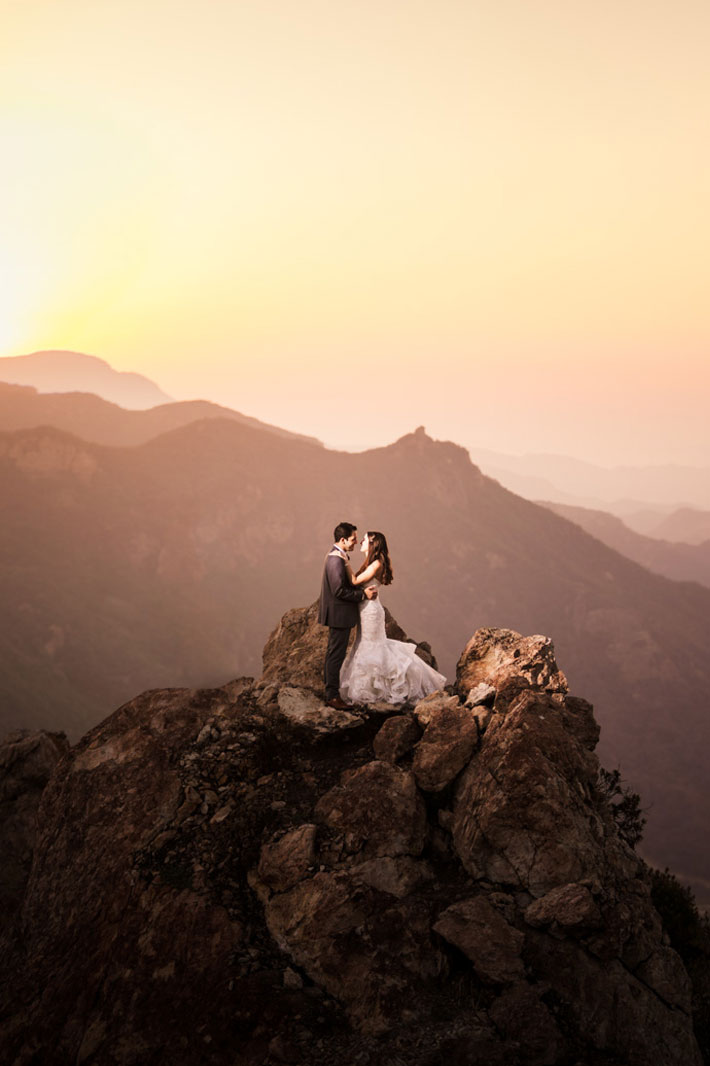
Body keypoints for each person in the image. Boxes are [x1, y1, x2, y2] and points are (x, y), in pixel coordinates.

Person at [339, 531, 446, 705]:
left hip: (371, 612)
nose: (361, 543)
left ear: (373, 543)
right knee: (365, 644)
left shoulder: (375, 564)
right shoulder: (372, 563)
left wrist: (343, 558)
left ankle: (380, 689)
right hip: (366, 610)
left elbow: (355, 581)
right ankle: (372, 688)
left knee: (372, 646)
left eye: (364, 540)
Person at [318, 522, 378, 710]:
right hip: (339, 614)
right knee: (336, 654)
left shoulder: (338, 556)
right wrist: (362, 595)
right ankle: (332, 696)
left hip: (338, 613)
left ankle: (330, 692)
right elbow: (338, 591)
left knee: (333, 653)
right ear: (342, 540)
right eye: (353, 540)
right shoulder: (336, 559)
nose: (355, 543)